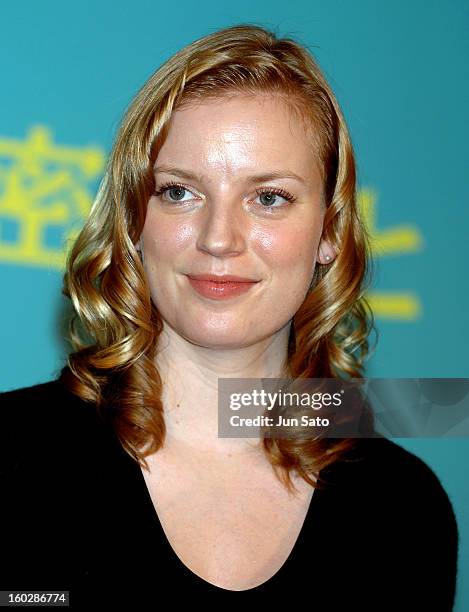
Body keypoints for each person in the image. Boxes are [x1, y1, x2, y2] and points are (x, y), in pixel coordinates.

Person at [0, 23, 458, 609]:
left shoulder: (402, 508)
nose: (219, 238)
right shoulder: (7, 463)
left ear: (331, 231)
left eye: (268, 198)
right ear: (134, 220)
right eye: (179, 192)